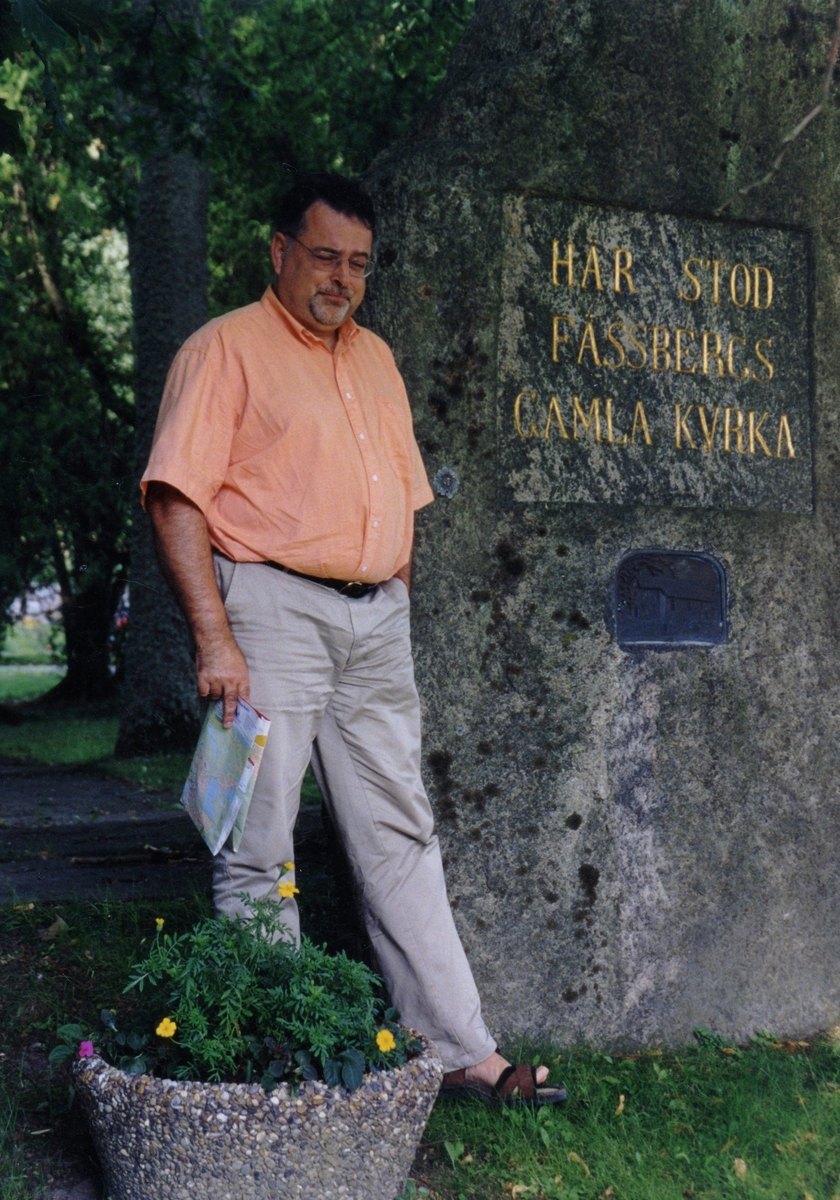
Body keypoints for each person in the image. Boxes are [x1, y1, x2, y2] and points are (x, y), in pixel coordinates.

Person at [141, 173, 565, 1106]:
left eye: (360, 264)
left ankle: (460, 1052)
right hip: (268, 610)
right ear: (279, 251)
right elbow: (175, 497)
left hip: (375, 622)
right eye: (326, 256)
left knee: (400, 832)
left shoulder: (376, 359)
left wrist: (394, 598)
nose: (342, 279)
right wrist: (215, 637)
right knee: (257, 840)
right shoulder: (224, 350)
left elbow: (403, 501)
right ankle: (273, 1064)